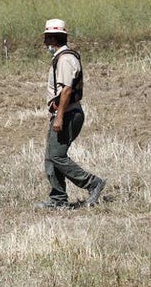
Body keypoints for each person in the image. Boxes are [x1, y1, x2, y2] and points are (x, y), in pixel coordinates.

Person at [40, 19, 105, 209]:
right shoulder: (62, 57)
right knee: (51, 157)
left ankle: (93, 183)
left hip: (68, 114)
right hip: (64, 112)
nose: (44, 42)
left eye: (46, 38)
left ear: (54, 39)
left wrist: (59, 117)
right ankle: (58, 199)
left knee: (57, 156)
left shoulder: (65, 59)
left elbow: (67, 90)